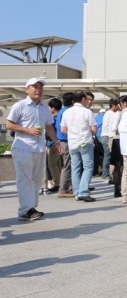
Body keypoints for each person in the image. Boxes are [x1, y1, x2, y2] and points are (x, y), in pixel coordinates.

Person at [6, 78, 62, 220]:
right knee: (25, 180)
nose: (38, 89)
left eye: (40, 87)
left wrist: (56, 142)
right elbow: (9, 125)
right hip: (23, 147)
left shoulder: (44, 108)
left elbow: (49, 126)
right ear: (26, 89)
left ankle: (31, 208)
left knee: (36, 180)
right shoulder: (20, 105)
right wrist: (27, 130)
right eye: (34, 86)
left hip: (39, 149)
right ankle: (24, 210)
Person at [60, 90, 98, 202]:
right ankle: (83, 192)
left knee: (75, 167)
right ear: (82, 99)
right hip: (85, 141)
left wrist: (73, 132)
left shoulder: (67, 112)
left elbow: (63, 129)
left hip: (72, 142)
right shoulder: (87, 112)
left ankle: (77, 192)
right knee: (88, 167)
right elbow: (94, 129)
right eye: (87, 99)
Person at [56, 92, 75, 198]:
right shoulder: (67, 111)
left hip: (63, 140)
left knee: (67, 164)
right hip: (66, 140)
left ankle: (67, 187)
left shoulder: (62, 111)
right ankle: (63, 188)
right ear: (72, 101)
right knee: (67, 165)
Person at [42, 98, 63, 194]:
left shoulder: (55, 118)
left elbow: (54, 132)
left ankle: (58, 184)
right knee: (59, 165)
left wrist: (55, 143)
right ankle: (60, 183)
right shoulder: (61, 115)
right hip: (58, 143)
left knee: (51, 164)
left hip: (53, 144)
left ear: (53, 108)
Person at [110, 95, 127, 197]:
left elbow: (114, 128)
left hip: (117, 139)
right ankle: (120, 188)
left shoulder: (119, 113)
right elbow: (114, 128)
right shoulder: (125, 113)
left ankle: (117, 189)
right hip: (125, 139)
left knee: (118, 166)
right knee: (125, 165)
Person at [100, 99, 118, 179]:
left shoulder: (107, 113)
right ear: (114, 105)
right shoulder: (112, 114)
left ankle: (105, 172)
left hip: (104, 136)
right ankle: (105, 173)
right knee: (108, 155)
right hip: (107, 136)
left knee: (106, 155)